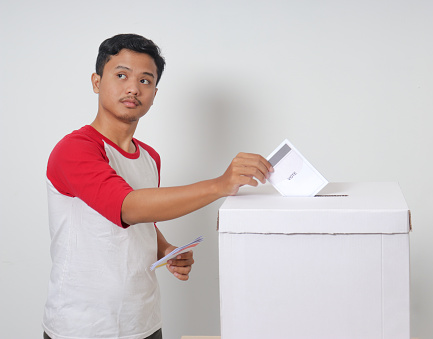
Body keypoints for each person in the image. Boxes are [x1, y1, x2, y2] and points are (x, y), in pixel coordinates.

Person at [42, 33, 273, 339]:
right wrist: (220, 184)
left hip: (145, 322)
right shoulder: (75, 149)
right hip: (83, 328)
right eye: (121, 75)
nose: (133, 88)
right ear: (97, 82)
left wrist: (164, 249)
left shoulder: (150, 157)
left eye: (146, 81)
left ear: (154, 92)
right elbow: (128, 206)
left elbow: (142, 220)